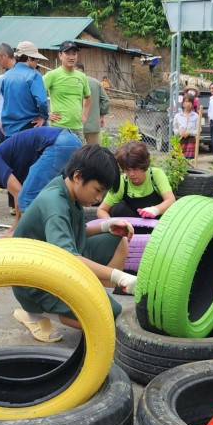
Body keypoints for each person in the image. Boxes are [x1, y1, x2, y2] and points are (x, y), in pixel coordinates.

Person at [11, 144, 135, 342]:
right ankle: (36, 313)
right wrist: (119, 277)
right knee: (110, 318)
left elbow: (72, 233)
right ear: (78, 176)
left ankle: (90, 301)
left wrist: (105, 226)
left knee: (118, 242)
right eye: (97, 190)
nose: (98, 198)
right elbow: (70, 258)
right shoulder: (55, 203)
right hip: (36, 282)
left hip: (57, 264)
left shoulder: (68, 189)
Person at [0, 126, 81, 229]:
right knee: (63, 194)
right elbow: (21, 192)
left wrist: (15, 228)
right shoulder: (2, 162)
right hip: (72, 141)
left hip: (58, 143)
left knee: (27, 197)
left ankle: (31, 242)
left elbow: (20, 194)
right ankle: (73, 230)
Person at [96, 140, 176, 220]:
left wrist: (154, 210)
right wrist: (111, 224)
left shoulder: (155, 175)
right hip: (132, 227)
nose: (131, 174)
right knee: (118, 209)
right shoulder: (122, 182)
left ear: (144, 165)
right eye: (127, 170)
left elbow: (171, 200)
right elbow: (101, 210)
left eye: (135, 169)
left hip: (157, 224)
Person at [1, 41, 49, 136]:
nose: (37, 62)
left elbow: (4, 100)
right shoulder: (34, 75)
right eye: (36, 59)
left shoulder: (6, 75)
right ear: (29, 58)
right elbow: (42, 101)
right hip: (30, 126)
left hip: (9, 128)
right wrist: (44, 116)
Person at [44, 41, 91, 138]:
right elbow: (36, 95)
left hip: (78, 128)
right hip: (58, 128)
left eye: (74, 54)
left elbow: (88, 97)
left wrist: (85, 114)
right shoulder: (52, 75)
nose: (71, 57)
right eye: (67, 53)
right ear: (60, 55)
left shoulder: (82, 77)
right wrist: (45, 115)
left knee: (78, 153)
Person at [79, 62, 110, 145]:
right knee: (93, 153)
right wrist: (102, 116)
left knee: (76, 154)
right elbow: (105, 100)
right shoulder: (96, 82)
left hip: (76, 125)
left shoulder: (70, 82)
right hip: (93, 125)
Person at [0, 42, 16, 143]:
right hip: (3, 120)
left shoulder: (5, 78)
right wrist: (2, 111)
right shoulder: (1, 78)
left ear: (4, 56)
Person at [172, 93, 199, 159]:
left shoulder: (196, 116)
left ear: (192, 104)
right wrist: (179, 132)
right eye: (186, 102)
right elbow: (174, 128)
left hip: (191, 141)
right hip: (180, 140)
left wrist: (189, 133)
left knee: (189, 160)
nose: (188, 104)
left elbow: (198, 130)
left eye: (190, 102)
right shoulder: (177, 116)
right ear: (183, 103)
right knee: (179, 160)